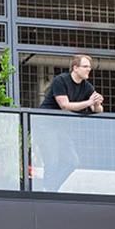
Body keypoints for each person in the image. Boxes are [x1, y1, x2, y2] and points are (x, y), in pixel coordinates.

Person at [36, 54, 104, 191]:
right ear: (75, 68)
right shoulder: (60, 80)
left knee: (72, 161)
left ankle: (50, 188)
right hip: (45, 124)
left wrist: (96, 103)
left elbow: (98, 110)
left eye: (89, 67)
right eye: (85, 67)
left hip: (61, 127)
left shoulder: (87, 86)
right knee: (52, 160)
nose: (88, 70)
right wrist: (89, 102)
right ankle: (47, 192)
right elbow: (65, 105)